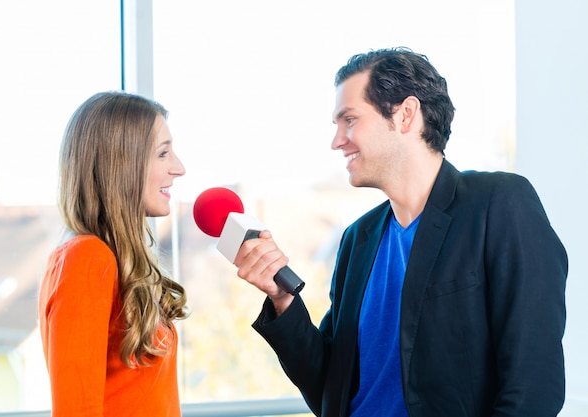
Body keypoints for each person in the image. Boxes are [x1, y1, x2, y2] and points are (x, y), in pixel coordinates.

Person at [233, 47, 567, 417]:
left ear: (406, 115)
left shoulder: (498, 205)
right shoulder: (358, 239)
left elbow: (534, 388)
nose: (337, 140)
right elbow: (331, 387)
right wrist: (283, 301)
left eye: (350, 120)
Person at [38, 91, 188, 416]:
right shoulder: (86, 258)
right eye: (163, 154)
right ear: (121, 164)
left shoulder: (116, 261)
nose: (179, 168)